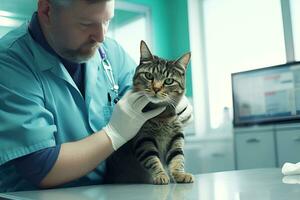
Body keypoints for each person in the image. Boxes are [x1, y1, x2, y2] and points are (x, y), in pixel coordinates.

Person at [0, 0, 193, 192]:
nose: (101, 37)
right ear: (47, 11)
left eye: (107, 21)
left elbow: (142, 101)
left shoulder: (111, 51)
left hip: (104, 193)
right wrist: (114, 133)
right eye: (86, 24)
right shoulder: (10, 61)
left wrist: (173, 105)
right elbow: (40, 167)